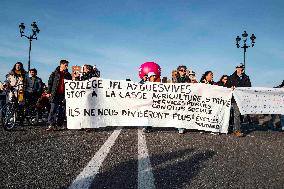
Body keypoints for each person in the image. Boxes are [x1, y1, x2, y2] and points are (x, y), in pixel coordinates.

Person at [46, 60, 72, 131]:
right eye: (65, 65)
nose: (66, 67)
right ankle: (51, 124)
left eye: (67, 65)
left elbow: (71, 83)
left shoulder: (68, 74)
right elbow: (50, 83)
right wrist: (48, 92)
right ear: (61, 65)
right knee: (53, 109)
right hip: (55, 94)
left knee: (62, 110)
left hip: (63, 95)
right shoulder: (54, 73)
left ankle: (59, 124)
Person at [229, 63, 251, 137]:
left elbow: (249, 87)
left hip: (243, 99)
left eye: (242, 67)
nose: (241, 69)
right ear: (236, 68)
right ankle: (236, 131)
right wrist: (231, 87)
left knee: (240, 115)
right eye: (239, 67)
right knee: (237, 114)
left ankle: (234, 128)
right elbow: (227, 86)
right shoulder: (231, 77)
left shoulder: (246, 77)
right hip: (235, 99)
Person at [175, 65, 191, 134]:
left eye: (184, 71)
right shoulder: (175, 79)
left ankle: (182, 127)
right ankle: (179, 126)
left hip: (185, 98)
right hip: (177, 98)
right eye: (181, 70)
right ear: (178, 71)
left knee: (184, 112)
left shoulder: (188, 79)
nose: (183, 72)